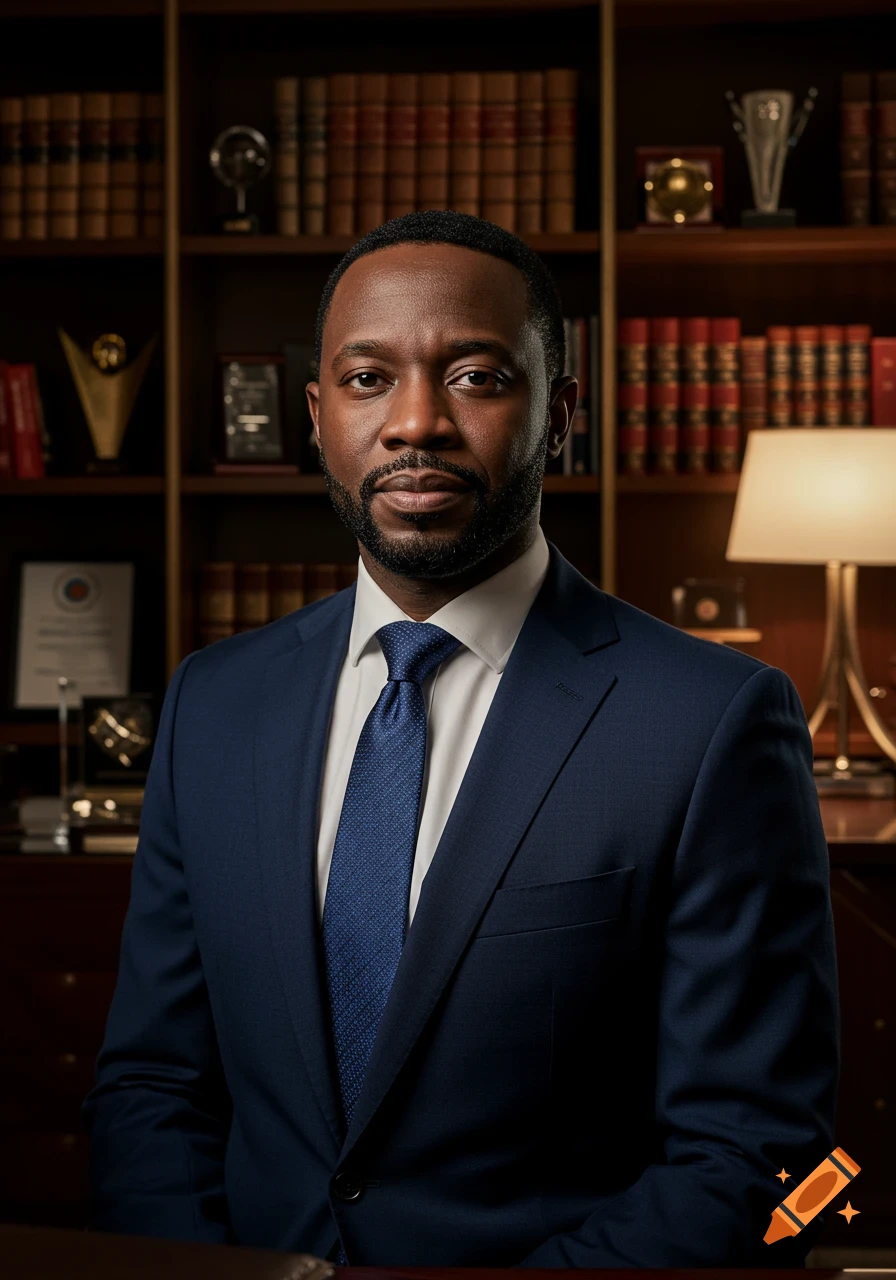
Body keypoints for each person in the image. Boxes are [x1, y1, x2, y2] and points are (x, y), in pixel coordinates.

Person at [83, 210, 839, 1268]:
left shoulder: (710, 719)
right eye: (367, 379)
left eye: (476, 377)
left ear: (558, 413)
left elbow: (759, 1152)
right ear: (317, 417)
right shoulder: (215, 704)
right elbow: (152, 1085)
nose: (415, 424)